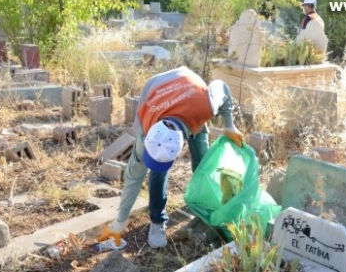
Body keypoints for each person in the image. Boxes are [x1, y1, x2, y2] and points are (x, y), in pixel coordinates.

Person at [100, 66, 244, 249]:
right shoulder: (144, 130)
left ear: (180, 148)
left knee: (202, 160)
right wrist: (119, 223)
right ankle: (157, 221)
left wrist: (229, 125)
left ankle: (204, 202)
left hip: (191, 91)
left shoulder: (206, 104)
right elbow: (133, 177)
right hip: (155, 87)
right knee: (158, 173)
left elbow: (222, 86)